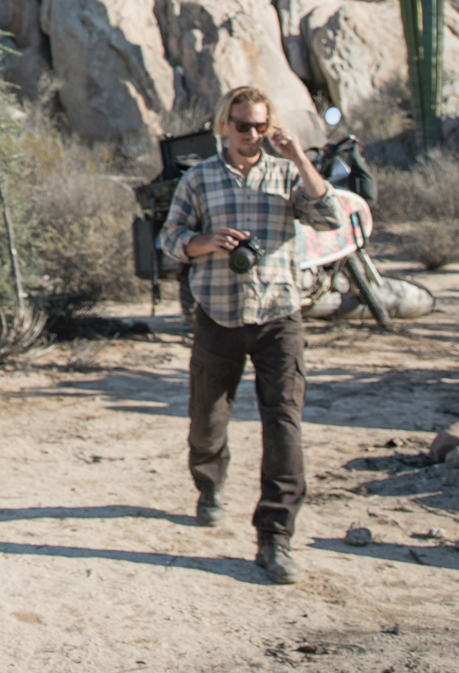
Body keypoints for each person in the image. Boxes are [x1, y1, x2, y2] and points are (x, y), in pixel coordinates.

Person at [159, 85, 342, 585]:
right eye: (242, 125)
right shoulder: (199, 179)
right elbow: (169, 239)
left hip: (279, 314)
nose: (252, 134)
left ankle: (275, 537)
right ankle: (209, 483)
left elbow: (329, 218)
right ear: (225, 126)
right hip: (217, 313)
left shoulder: (287, 175)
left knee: (284, 422)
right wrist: (206, 243)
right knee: (207, 417)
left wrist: (300, 156)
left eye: (260, 125)